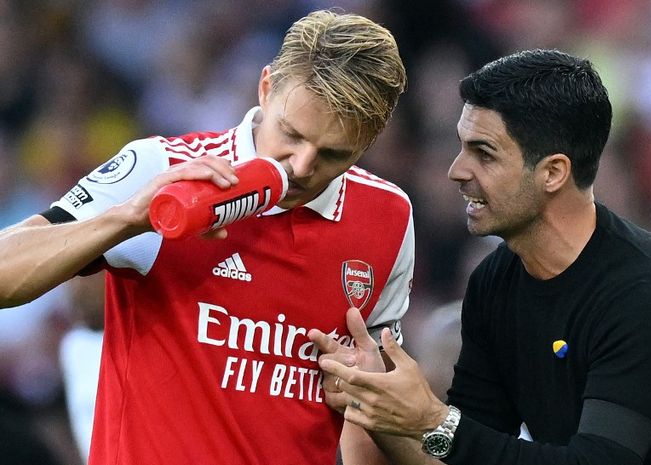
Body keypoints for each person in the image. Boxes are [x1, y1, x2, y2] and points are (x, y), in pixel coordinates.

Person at [0, 10, 413, 465]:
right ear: (265, 87)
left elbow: (369, 412)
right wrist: (126, 219)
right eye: (290, 134)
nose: (300, 166)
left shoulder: (388, 217)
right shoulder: (163, 169)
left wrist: (365, 394)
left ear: (369, 141)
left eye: (334, 154)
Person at [309, 49, 651, 465]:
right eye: (462, 148)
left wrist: (432, 421)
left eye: (484, 153)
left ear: (553, 172)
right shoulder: (495, 281)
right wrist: (376, 399)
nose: (456, 170)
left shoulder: (646, 297)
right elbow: (458, 454)